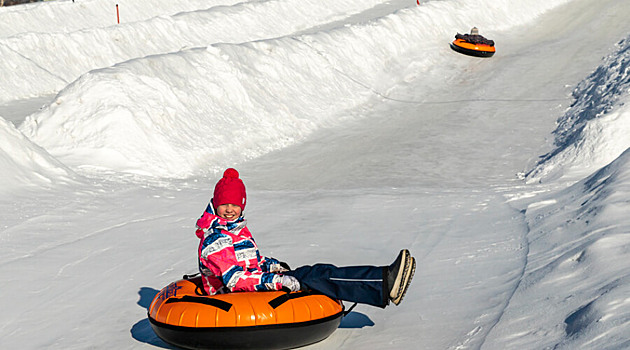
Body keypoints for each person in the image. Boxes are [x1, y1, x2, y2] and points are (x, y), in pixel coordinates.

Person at [195, 168, 416, 307]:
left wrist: (270, 266)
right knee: (315, 277)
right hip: (229, 298)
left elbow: (250, 262)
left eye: (235, 204)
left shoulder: (236, 230)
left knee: (316, 272)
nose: (230, 209)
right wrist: (276, 281)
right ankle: (383, 283)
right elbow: (234, 279)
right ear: (216, 204)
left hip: (253, 286)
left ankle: (381, 284)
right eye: (224, 204)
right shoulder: (216, 239)